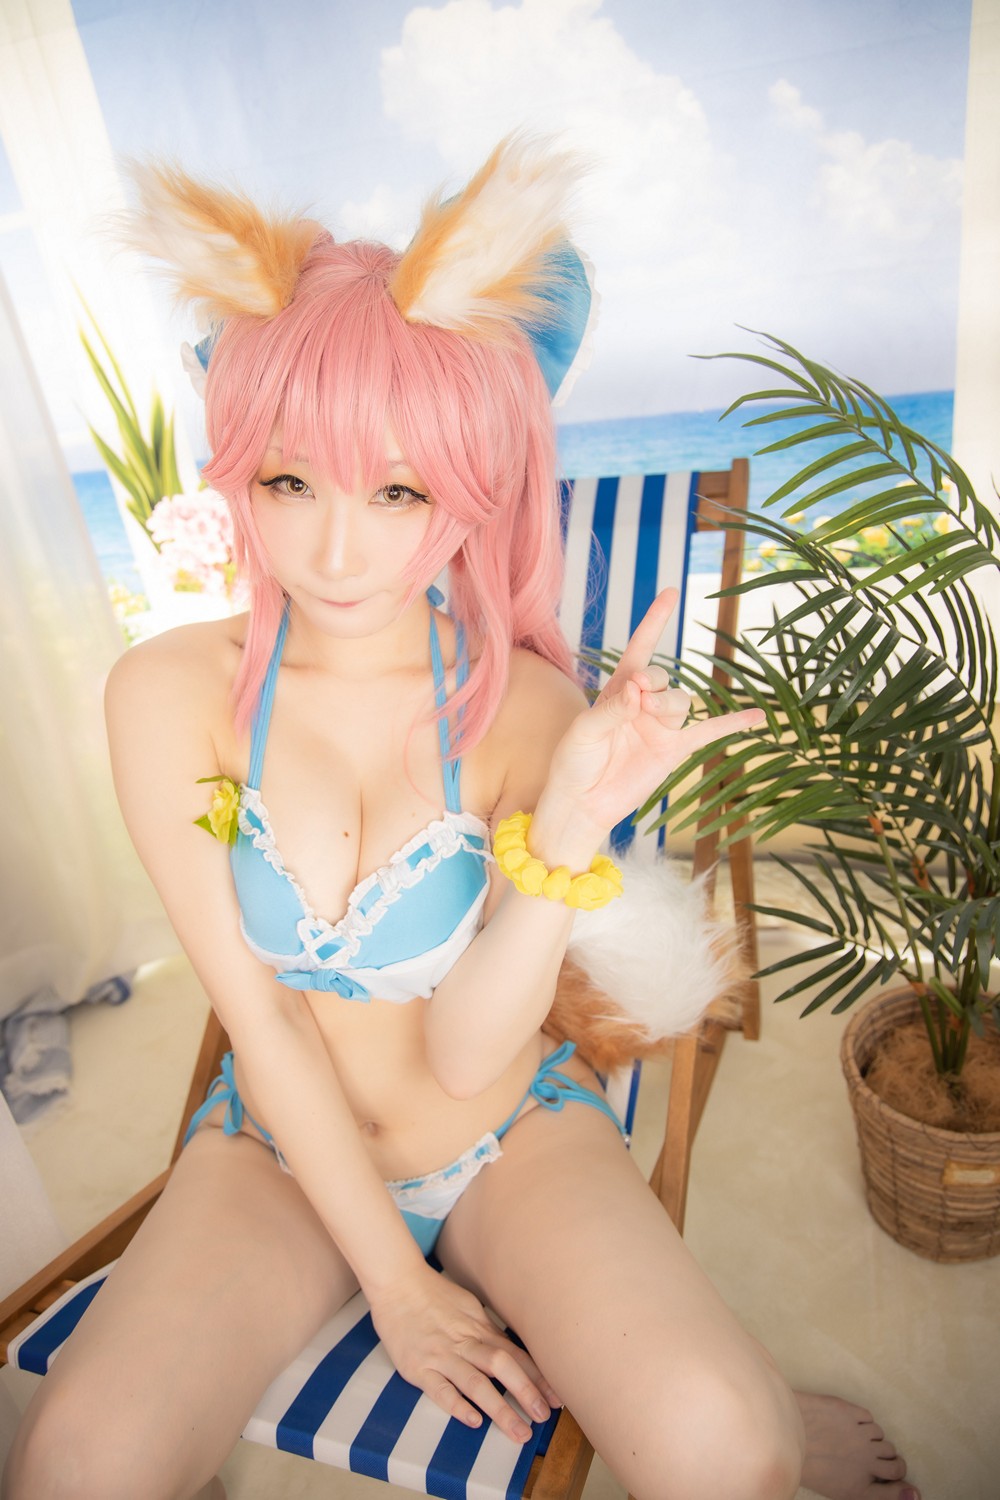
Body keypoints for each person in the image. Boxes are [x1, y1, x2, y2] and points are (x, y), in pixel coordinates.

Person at [3, 138, 918, 1500]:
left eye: (399, 490)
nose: (336, 551)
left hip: (506, 1135)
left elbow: (470, 1043)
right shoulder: (169, 693)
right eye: (289, 481)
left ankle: (753, 1390)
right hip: (274, 1147)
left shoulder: (525, 707)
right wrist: (398, 1289)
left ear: (469, 485)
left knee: (734, 1450)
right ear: (238, 470)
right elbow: (262, 1023)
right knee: (73, 1467)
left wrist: (570, 835)